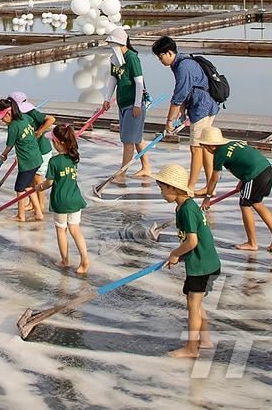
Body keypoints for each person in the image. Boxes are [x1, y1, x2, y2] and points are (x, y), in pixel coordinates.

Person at [154, 163, 221, 359]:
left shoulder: (187, 210)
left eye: (162, 189)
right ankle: (206, 340)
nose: (161, 193)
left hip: (202, 265)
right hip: (202, 263)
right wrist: (179, 254)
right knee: (197, 303)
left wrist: (175, 253)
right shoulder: (183, 206)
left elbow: (192, 241)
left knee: (193, 305)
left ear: (174, 188)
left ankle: (192, 348)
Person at [197, 127, 272, 252]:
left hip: (255, 175)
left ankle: (252, 243)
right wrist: (242, 181)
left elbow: (214, 179)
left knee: (245, 205)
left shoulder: (219, 153)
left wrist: (207, 198)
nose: (204, 148)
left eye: (204, 146)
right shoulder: (233, 143)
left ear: (210, 145)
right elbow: (246, 159)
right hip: (267, 170)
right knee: (256, 203)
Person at [151, 36, 220, 190]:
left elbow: (178, 96)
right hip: (204, 106)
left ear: (169, 53)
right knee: (206, 148)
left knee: (196, 148)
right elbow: (185, 92)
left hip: (202, 108)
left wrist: (169, 121)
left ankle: (190, 186)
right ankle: (210, 187)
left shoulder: (183, 67)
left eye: (161, 57)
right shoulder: (181, 63)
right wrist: (182, 114)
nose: (160, 60)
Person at [106, 27, 153, 181]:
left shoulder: (132, 58)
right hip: (123, 103)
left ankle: (122, 172)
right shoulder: (115, 59)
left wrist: (137, 105)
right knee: (136, 138)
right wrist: (107, 99)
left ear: (120, 43)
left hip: (133, 104)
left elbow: (139, 82)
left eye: (113, 43)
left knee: (128, 140)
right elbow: (113, 79)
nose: (111, 47)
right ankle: (146, 167)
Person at [48, 124, 90, 273]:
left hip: (60, 201)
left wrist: (39, 187)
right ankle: (84, 258)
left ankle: (65, 260)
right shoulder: (74, 157)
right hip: (75, 198)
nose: (52, 144)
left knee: (61, 230)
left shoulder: (54, 161)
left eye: (53, 142)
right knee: (75, 229)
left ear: (59, 143)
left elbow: (50, 182)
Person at [0, 98, 46, 223]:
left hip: (27, 161)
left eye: (2, 118)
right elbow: (31, 124)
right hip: (36, 157)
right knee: (29, 187)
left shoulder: (13, 126)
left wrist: (4, 155)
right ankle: (38, 213)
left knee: (19, 188)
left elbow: (9, 145)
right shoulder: (25, 117)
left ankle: (21, 215)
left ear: (8, 113)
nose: (2, 121)